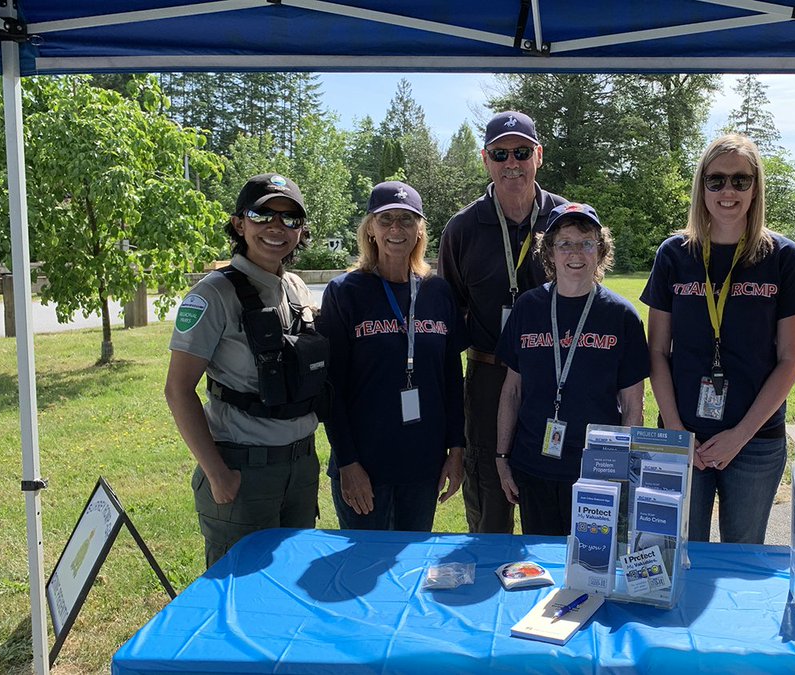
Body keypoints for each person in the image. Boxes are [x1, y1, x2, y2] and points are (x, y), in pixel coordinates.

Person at [641, 134, 795, 545]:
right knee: (678, 553)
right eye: (716, 180)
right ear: (701, 186)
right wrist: (676, 431)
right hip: (683, 435)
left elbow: (791, 361)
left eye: (740, 180)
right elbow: (657, 351)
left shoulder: (783, 257)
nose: (728, 191)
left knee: (743, 557)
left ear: (756, 187)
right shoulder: (674, 254)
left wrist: (740, 435)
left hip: (755, 441)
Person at [165, 173, 325, 567]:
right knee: (238, 589)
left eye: (290, 218)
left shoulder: (296, 288)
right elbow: (178, 390)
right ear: (239, 224)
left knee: (291, 579)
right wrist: (217, 473)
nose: (276, 227)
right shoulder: (212, 295)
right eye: (262, 215)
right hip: (243, 471)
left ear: (301, 230)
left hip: (301, 468)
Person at [439, 110, 568, 534]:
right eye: (500, 154)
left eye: (521, 152)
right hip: (489, 376)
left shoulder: (565, 220)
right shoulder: (462, 228)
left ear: (539, 155)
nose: (511, 162)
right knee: (490, 505)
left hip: (555, 375)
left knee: (551, 500)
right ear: (485, 159)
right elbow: (449, 317)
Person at [317, 182, 466, 532]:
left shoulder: (438, 291)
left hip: (423, 463)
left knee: (411, 560)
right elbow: (331, 387)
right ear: (370, 228)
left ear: (420, 230)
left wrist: (456, 450)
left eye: (406, 219)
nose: (396, 229)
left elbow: (451, 379)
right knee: (365, 562)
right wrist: (347, 463)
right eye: (386, 220)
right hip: (365, 465)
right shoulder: (344, 292)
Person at [494, 203, 649, 536]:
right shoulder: (528, 308)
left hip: (597, 471)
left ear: (600, 250)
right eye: (565, 243)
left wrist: (623, 468)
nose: (575, 253)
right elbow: (511, 391)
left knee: (593, 562)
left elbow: (633, 404)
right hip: (533, 466)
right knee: (540, 560)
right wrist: (502, 457)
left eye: (586, 243)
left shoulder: (622, 316)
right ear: (549, 251)